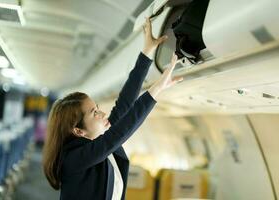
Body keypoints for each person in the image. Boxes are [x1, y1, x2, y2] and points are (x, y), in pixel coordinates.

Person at [42, 18, 183, 200]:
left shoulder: (95, 141)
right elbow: (117, 135)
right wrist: (156, 89)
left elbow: (124, 106)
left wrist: (147, 53)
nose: (102, 113)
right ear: (78, 130)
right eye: (94, 113)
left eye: (98, 108)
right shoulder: (73, 159)